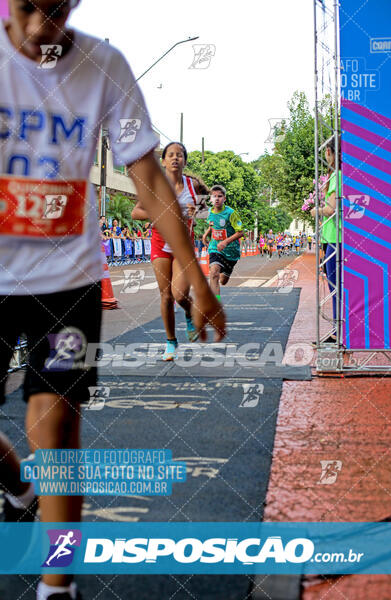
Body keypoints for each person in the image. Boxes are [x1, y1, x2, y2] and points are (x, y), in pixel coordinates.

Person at [0, 3, 225, 599]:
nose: (42, 23)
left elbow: (149, 181)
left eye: (56, 7)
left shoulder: (104, 65)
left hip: (67, 280)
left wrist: (199, 280)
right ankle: (21, 492)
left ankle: (58, 583)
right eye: (28, 7)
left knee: (53, 426)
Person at [132, 141, 209, 361]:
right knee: (166, 296)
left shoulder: (194, 186)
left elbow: (205, 212)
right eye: (171, 155)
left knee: (179, 294)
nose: (175, 158)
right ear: (163, 161)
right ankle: (170, 342)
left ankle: (189, 309)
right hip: (160, 244)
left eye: (180, 155)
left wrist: (197, 211)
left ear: (184, 161)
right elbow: (136, 212)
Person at [311, 138, 341, 344]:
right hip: (334, 238)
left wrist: (316, 210)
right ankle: (337, 331)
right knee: (335, 287)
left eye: (325, 152)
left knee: (335, 288)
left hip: (334, 238)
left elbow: (331, 210)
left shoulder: (337, 176)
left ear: (330, 151)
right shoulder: (339, 175)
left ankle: (338, 332)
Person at [202, 185, 244, 302]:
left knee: (223, 281)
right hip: (215, 248)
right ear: (210, 199)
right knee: (214, 272)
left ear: (224, 198)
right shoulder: (208, 212)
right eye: (214, 196)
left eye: (219, 196)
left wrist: (225, 242)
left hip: (231, 252)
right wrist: (206, 235)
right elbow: (212, 225)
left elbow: (240, 232)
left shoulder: (231, 213)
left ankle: (226, 271)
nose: (217, 199)